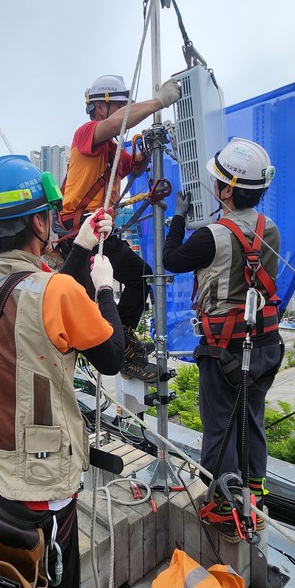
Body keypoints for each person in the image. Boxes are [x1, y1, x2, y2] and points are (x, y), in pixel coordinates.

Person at [0, 154, 124, 588]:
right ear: (37, 220)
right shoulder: (56, 291)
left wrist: (79, 246)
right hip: (44, 484)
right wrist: (107, 289)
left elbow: (35, 294)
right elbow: (112, 353)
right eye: (47, 215)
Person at [162, 138, 284, 537]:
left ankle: (222, 504)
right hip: (265, 345)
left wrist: (178, 217)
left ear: (227, 189)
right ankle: (253, 494)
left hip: (224, 349)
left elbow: (171, 259)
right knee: (252, 419)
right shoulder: (271, 230)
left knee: (220, 425)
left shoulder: (211, 236)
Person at [59, 74, 181, 382]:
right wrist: (159, 102)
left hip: (97, 229)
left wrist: (144, 154)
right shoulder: (87, 134)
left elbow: (131, 163)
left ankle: (123, 339)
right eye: (120, 106)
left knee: (140, 276)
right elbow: (117, 126)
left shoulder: (112, 151)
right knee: (102, 297)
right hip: (85, 232)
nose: (125, 111)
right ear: (101, 108)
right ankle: (122, 352)